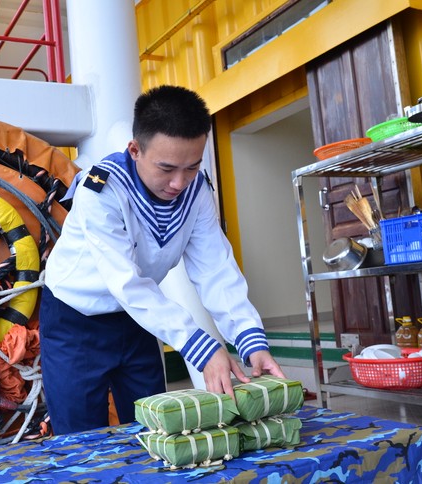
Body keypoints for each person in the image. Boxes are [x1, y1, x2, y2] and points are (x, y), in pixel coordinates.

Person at [39, 85, 284, 435]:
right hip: (75, 320)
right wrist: (203, 347)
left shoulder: (196, 192)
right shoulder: (102, 191)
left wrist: (250, 340)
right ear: (135, 149)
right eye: (167, 168)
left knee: (156, 427)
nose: (178, 183)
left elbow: (215, 268)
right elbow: (126, 282)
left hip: (138, 319)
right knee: (81, 437)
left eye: (192, 167)